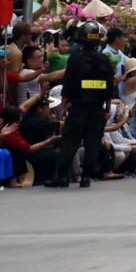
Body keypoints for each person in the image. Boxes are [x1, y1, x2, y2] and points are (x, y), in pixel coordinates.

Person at [45, 21, 115, 188]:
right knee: (93, 142)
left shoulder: (75, 59)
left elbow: (68, 84)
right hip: (97, 109)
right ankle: (86, 177)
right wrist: (107, 107)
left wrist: (62, 106)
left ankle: (61, 177)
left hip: (77, 109)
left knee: (70, 141)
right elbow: (109, 86)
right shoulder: (105, 59)